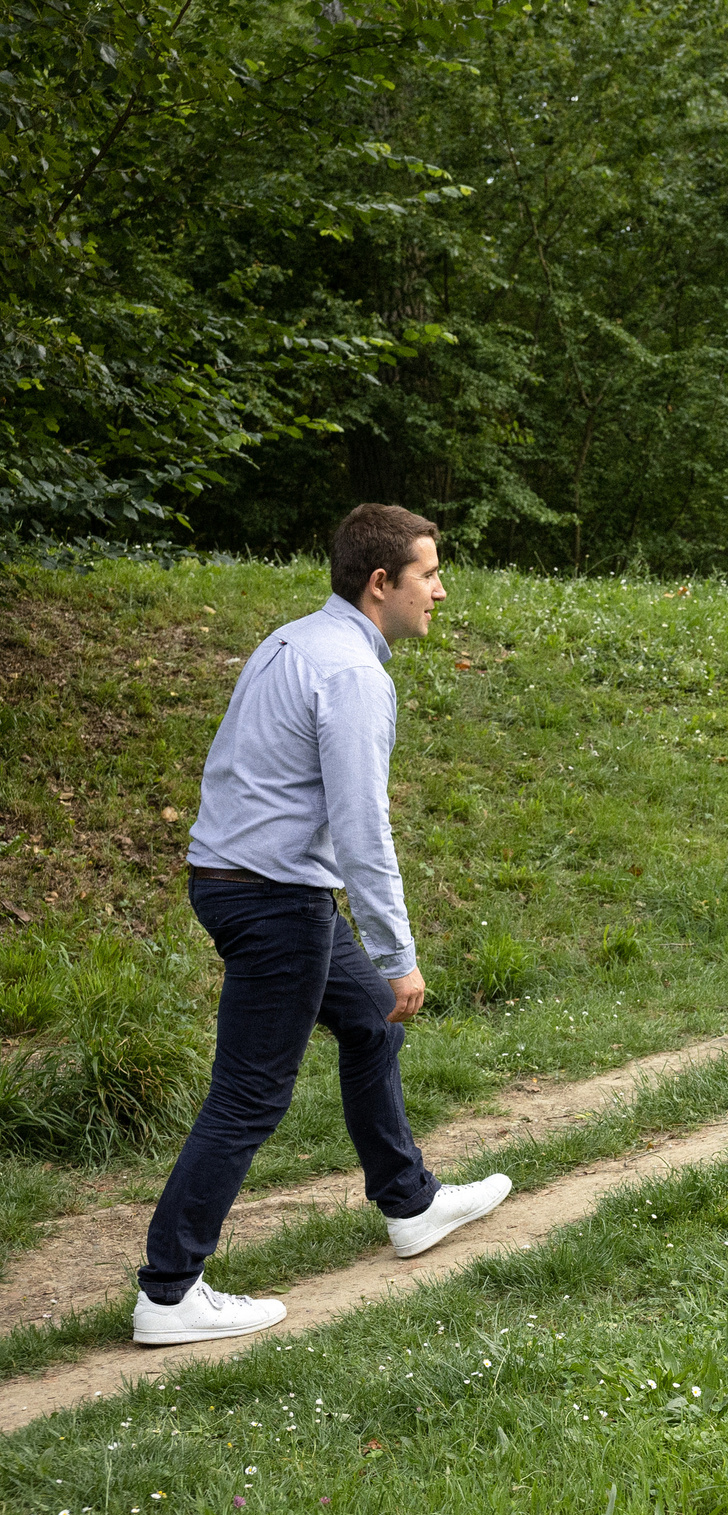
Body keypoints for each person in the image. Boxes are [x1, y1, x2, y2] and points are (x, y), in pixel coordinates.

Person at [134, 505, 513, 1346]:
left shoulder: (294, 640)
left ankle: (409, 1203)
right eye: (429, 574)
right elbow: (362, 828)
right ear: (381, 583)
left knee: (371, 1020)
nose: (440, 591)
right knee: (250, 1094)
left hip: (239, 881)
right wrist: (399, 954)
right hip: (275, 899)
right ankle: (169, 1291)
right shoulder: (351, 674)